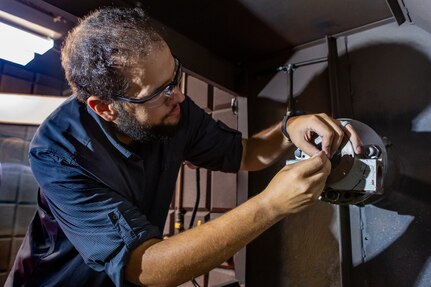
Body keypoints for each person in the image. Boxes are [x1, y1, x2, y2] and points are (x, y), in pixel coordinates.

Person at [6, 7, 362, 287]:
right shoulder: (59, 153)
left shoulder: (171, 106)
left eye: (174, 75)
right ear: (106, 107)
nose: (178, 95)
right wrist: (270, 205)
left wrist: (290, 129)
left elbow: (245, 153)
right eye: (158, 93)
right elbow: (146, 267)